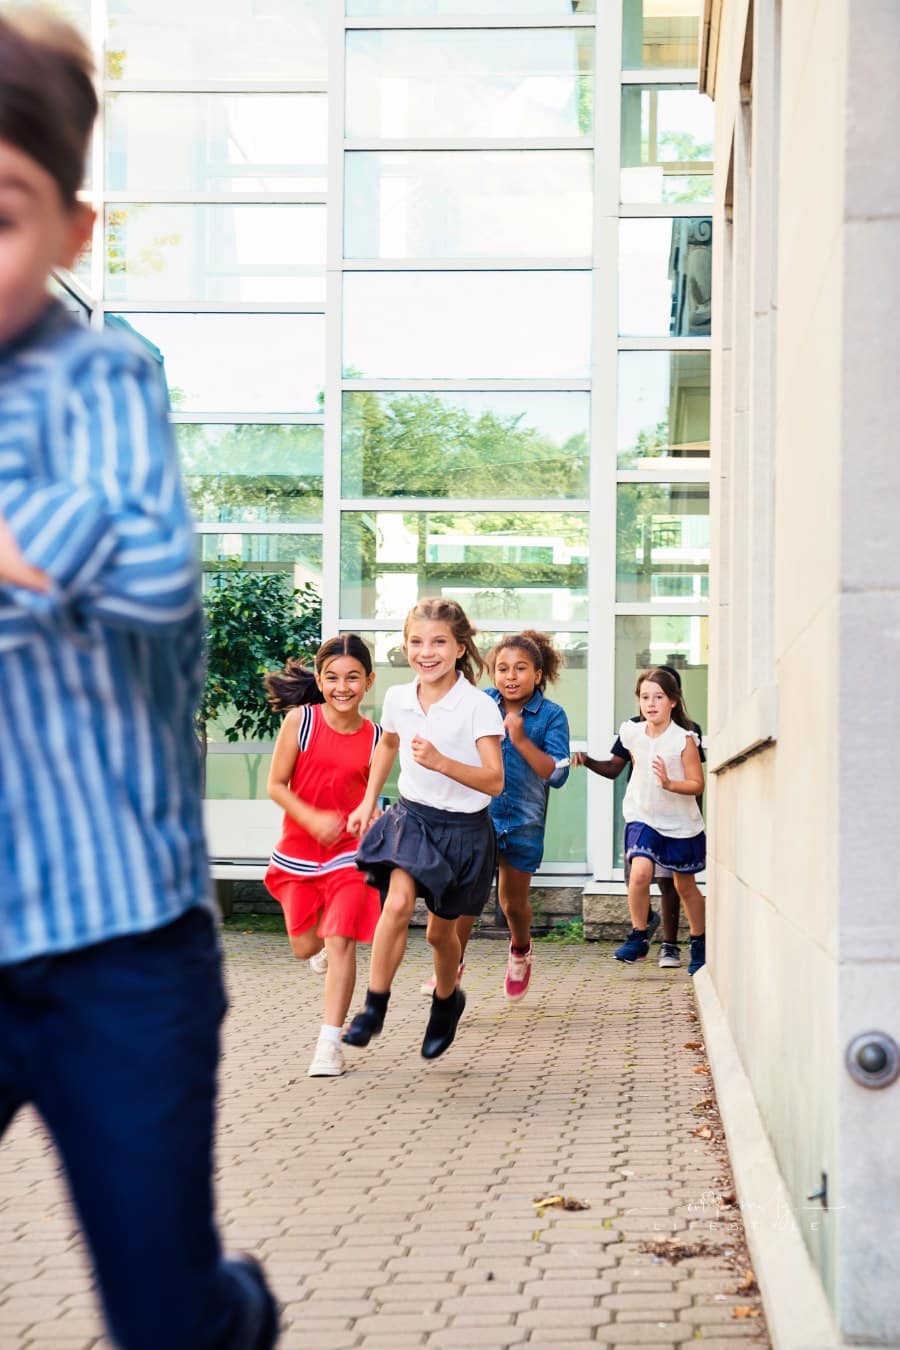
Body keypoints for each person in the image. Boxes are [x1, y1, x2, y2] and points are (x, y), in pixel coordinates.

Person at [0, 14, 277, 1348]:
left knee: (162, 1315)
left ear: (72, 230)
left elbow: (159, 577)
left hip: (116, 944)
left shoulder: (101, 375)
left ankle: (231, 1313)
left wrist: (22, 548)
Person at [342, 597, 505, 1060]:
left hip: (465, 831)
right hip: (413, 819)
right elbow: (388, 744)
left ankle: (447, 1001)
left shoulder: (477, 706)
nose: (425, 651)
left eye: (438, 642)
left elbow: (495, 781)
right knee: (395, 904)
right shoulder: (397, 697)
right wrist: (367, 802)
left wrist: (443, 762)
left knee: (440, 935)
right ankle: (374, 1007)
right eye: (416, 641)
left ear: (459, 648)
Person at [420, 631, 570, 1003]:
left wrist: (520, 740)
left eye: (521, 668)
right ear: (491, 673)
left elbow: (557, 773)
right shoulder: (481, 703)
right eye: (502, 668)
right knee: (466, 900)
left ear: (537, 674)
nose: (511, 676)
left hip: (523, 823)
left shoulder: (551, 716)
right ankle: (451, 970)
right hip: (478, 817)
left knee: (511, 904)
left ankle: (521, 948)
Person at [263, 636, 383, 1078]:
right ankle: (321, 953)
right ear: (319, 680)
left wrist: (367, 816)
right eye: (332, 678)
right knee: (304, 946)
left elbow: (373, 796)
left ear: (368, 681)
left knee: (341, 939)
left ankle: (329, 1044)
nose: (342, 687)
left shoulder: (376, 738)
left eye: (353, 677)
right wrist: (311, 819)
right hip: (297, 854)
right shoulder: (302, 722)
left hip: (349, 858)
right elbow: (276, 785)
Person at [573, 664, 705, 969]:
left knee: (684, 886)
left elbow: (697, 783)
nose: (651, 703)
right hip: (642, 815)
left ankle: (699, 942)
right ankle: (639, 935)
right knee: (640, 874)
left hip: (680, 822)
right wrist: (588, 759)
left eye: (658, 697)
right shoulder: (631, 732)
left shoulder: (685, 739)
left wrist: (671, 784)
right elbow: (621, 765)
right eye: (645, 697)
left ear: (673, 700)